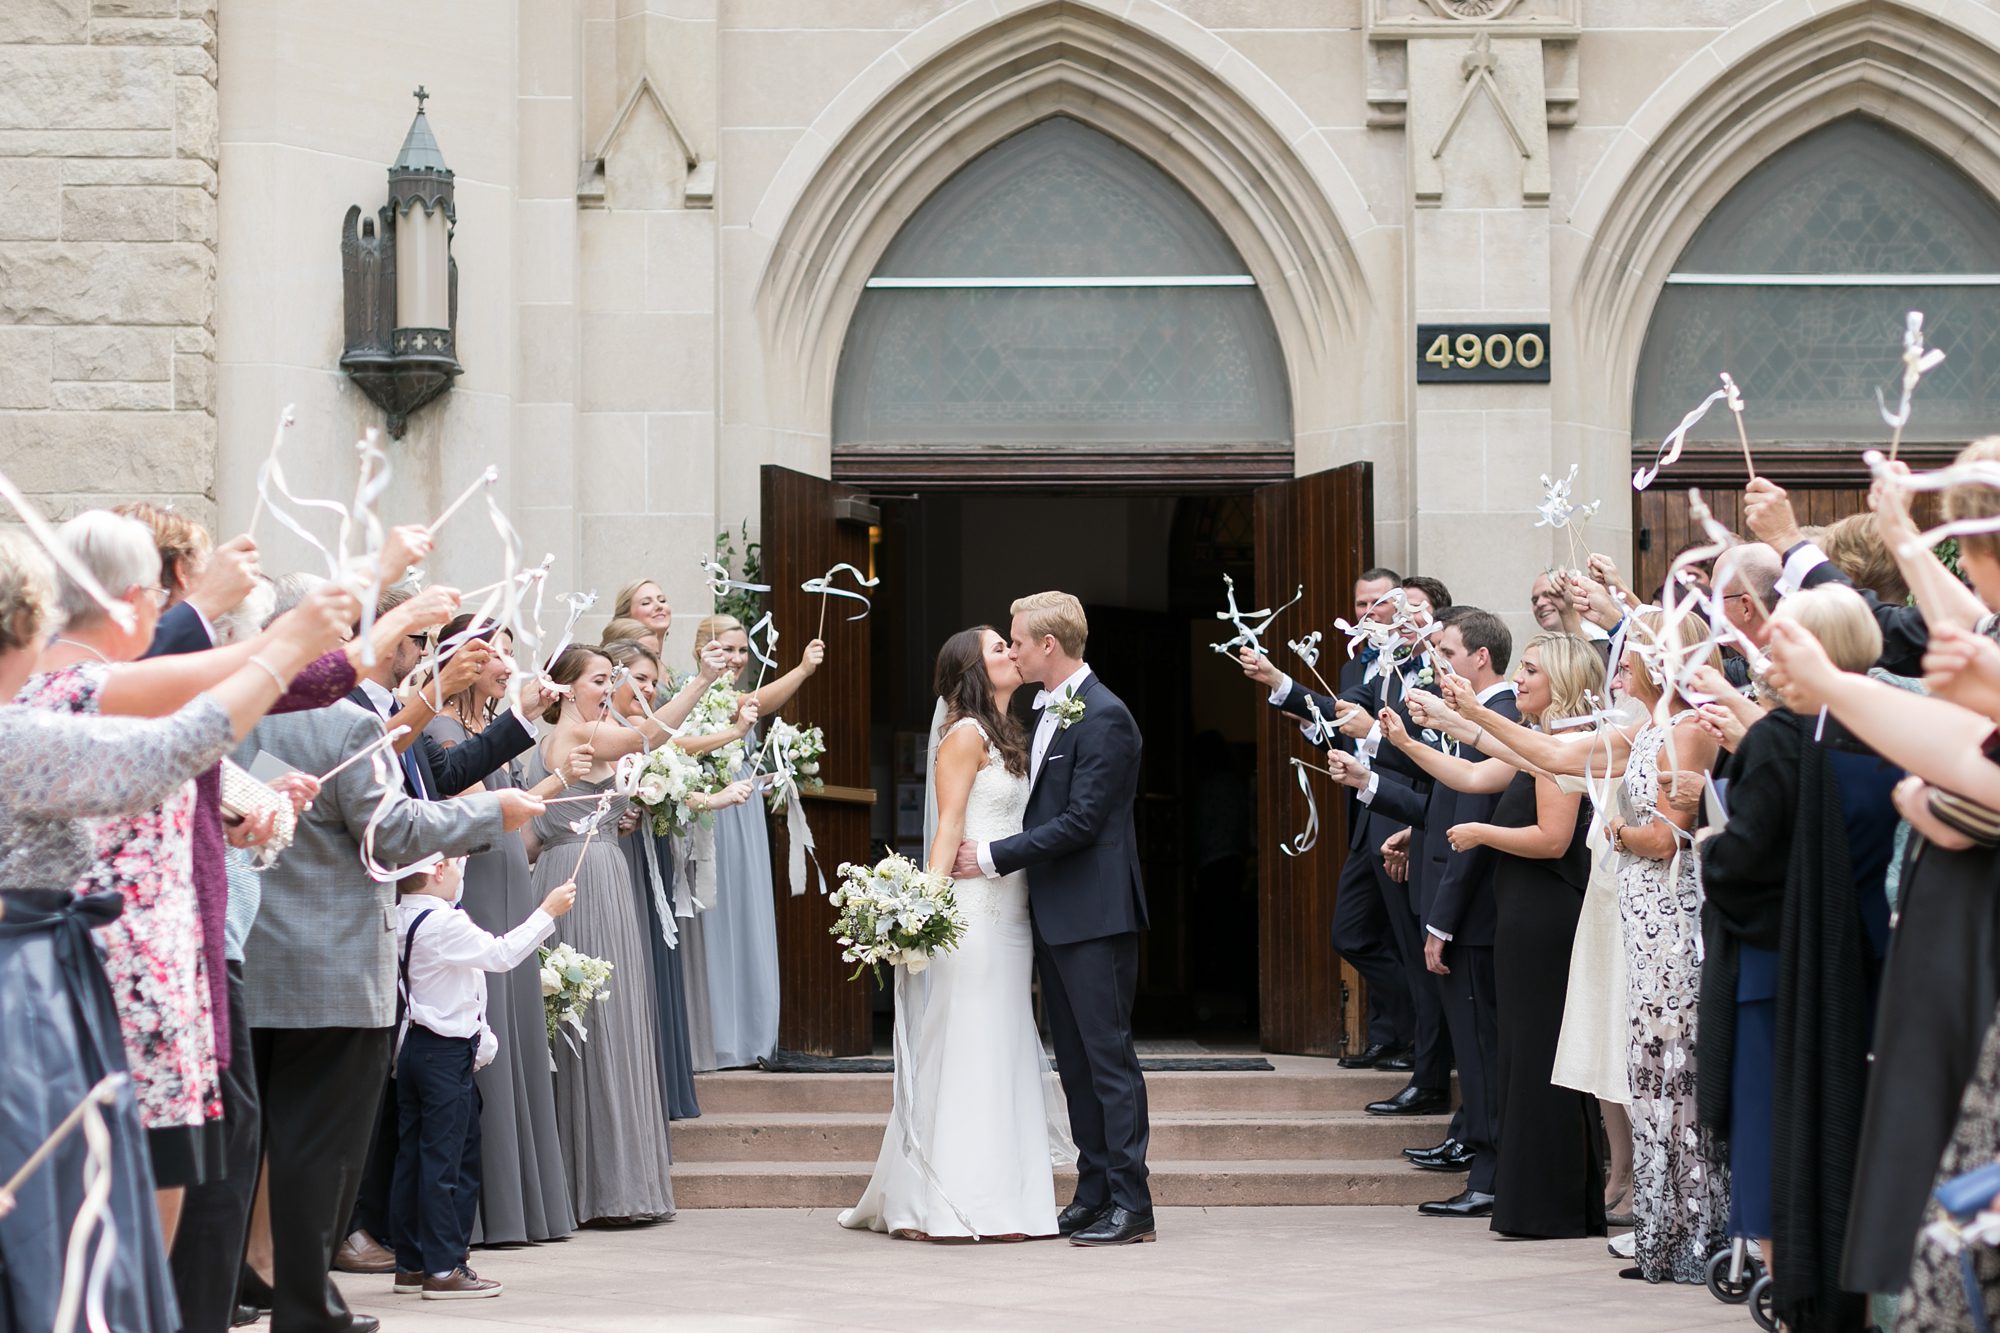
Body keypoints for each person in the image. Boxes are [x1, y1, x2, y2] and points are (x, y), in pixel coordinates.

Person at [0, 528, 356, 1333]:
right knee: (60, 1237)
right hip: (32, 998)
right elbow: (168, 749)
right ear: (28, 624)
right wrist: (287, 640)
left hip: (63, 983)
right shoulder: (25, 721)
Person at [238, 610, 544, 1333]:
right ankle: (304, 1299)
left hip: (253, 953)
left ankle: (247, 1277)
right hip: (332, 965)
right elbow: (396, 829)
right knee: (319, 1147)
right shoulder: (344, 726)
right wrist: (492, 811)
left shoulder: (238, 718)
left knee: (256, 1142)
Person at [1705, 586, 1902, 1331]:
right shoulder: (1893, 736)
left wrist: (1709, 846)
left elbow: (1742, 859)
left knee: (1773, 1138)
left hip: (1776, 961)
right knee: (1850, 1129)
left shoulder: (1783, 741)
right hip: (1872, 959)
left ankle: (1796, 1296)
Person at [840, 626, 1074, 1240]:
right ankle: (936, 1201)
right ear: (973, 670)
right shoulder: (965, 736)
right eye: (999, 648)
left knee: (1004, 1042)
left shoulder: (1014, 735)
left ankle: (1008, 1201)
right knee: (965, 1040)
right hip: (970, 912)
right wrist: (923, 911)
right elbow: (946, 828)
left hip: (1013, 913)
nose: (1012, 652)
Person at [952, 591, 1153, 1247]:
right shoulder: (1044, 711)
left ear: (1048, 645)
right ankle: (1092, 1192)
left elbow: (1083, 822)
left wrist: (991, 855)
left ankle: (1132, 1202)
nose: (1009, 651)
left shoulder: (1106, 717)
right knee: (1072, 1062)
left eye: (1016, 640)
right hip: (1057, 915)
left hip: (1097, 914)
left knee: (1107, 1059)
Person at [1390, 632, 1606, 1240]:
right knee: (1521, 1054)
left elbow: (1553, 840)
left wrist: (1483, 837)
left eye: (1533, 670)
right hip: (1521, 913)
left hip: (1545, 914)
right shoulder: (1538, 743)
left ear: (1559, 679)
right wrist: (1407, 739)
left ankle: (1548, 1206)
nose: (1523, 680)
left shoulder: (1563, 744)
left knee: (1538, 1057)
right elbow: (1471, 771)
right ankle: (1542, 1199)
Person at [525, 645, 749, 1223]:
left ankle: (618, 1184)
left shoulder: (589, 737)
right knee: (591, 1023)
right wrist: (700, 679)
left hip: (605, 877)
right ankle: (594, 1188)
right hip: (578, 883)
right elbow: (649, 734)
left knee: (616, 1020)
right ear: (567, 689)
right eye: (601, 680)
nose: (609, 689)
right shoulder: (574, 737)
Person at [425, 615, 582, 1246]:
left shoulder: (488, 729)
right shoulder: (437, 728)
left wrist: (563, 781)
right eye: (496, 655)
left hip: (513, 875)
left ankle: (524, 1205)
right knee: (480, 1024)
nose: (506, 666)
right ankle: (482, 1212)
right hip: (474, 886)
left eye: (511, 655)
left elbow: (514, 807)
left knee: (515, 1034)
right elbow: (448, 800)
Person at [1359, 607, 1516, 1216]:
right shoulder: (1478, 719)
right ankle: (1478, 1153)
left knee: (1481, 1051)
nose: (1437, 662)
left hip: (1472, 911)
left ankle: (1489, 1175)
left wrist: (1441, 921)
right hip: (1451, 898)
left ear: (1481, 656)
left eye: (1447, 652)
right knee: (1475, 1049)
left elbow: (1474, 830)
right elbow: (1446, 799)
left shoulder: (1500, 718)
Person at [389, 856, 575, 1300]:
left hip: (414, 1046)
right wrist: (546, 912)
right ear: (435, 871)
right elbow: (501, 955)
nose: (460, 872)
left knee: (413, 1157)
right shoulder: (443, 923)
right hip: (442, 1052)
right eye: (454, 865)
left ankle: (412, 1262)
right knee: (448, 1159)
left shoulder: (401, 915)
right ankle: (443, 1267)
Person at [682, 613, 824, 1070]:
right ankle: (718, 1035)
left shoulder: (735, 695)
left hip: (743, 809)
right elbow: (755, 702)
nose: (738, 659)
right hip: (714, 813)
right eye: (727, 649)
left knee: (747, 908)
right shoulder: (697, 692)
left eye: (744, 650)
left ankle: (752, 1035)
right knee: (717, 915)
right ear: (703, 650)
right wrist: (801, 670)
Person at [602, 637, 703, 1119]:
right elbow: (660, 734)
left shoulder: (633, 725)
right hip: (604, 862)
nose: (649, 687)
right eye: (637, 678)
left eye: (652, 680)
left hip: (634, 851)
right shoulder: (603, 730)